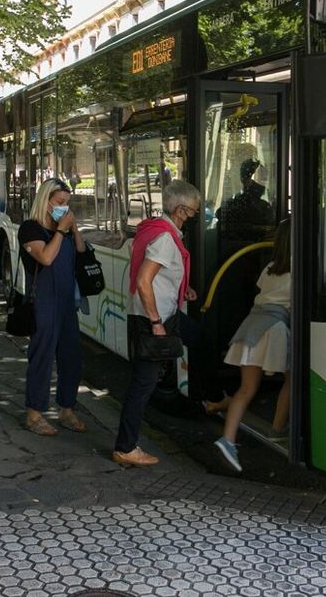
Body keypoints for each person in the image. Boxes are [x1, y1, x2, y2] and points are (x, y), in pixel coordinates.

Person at [113, 180, 201, 467]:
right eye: (192, 212)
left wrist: (181, 289)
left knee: (201, 339)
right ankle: (125, 447)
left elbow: (157, 275)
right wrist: (156, 323)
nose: (194, 217)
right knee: (143, 384)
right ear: (180, 210)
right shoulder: (164, 238)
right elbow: (143, 281)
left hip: (165, 312)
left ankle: (209, 399)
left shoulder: (157, 229)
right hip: (154, 318)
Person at [209, 220, 292, 472]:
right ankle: (278, 429)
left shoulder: (269, 267)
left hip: (252, 323)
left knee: (246, 388)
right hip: (275, 328)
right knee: (292, 379)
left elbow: (260, 291)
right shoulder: (302, 269)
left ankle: (228, 439)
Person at [18, 178, 87, 436]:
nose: (64, 208)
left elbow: (80, 251)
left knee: (72, 358)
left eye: (67, 204)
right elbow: (45, 257)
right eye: (60, 203)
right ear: (45, 201)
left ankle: (66, 408)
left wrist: (73, 227)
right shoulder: (30, 229)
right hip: (43, 302)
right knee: (42, 357)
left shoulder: (66, 229)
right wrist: (59, 231)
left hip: (66, 301)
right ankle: (34, 413)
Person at [216, 156, 273, 241]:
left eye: (265, 178)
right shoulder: (237, 204)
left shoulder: (262, 206)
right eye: (262, 178)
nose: (264, 183)